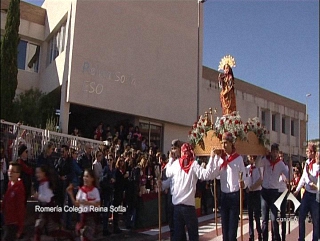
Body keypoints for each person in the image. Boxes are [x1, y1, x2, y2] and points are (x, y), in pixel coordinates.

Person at [162, 142, 215, 241]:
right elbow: (206, 175)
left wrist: (170, 160)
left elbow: (168, 172)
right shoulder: (193, 164)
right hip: (188, 207)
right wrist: (211, 158)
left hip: (177, 206)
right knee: (193, 235)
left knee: (178, 235)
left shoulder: (176, 164)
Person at [210, 132, 247, 241]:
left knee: (232, 232)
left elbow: (244, 176)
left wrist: (243, 183)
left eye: (226, 143)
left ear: (231, 144)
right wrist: (213, 158)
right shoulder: (220, 158)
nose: (224, 145)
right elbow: (215, 174)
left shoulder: (238, 159)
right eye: (222, 143)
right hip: (224, 196)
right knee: (225, 232)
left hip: (234, 195)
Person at [256, 143, 292, 241]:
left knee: (274, 218)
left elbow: (290, 177)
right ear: (271, 151)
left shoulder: (280, 164)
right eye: (273, 151)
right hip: (264, 192)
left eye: (276, 152)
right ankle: (264, 239)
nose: (275, 154)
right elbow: (257, 164)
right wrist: (261, 154)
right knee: (264, 219)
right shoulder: (266, 161)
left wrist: (290, 166)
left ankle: (276, 238)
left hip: (274, 193)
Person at [33, 165, 74, 241]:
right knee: (40, 230)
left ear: (44, 173)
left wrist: (38, 196)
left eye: (39, 172)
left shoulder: (46, 183)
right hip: (44, 210)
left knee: (48, 230)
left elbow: (48, 199)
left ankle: (69, 236)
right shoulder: (41, 184)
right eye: (36, 173)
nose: (37, 174)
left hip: (49, 210)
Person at [294, 143, 319, 241]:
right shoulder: (307, 163)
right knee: (301, 216)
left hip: (315, 195)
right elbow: (303, 178)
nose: (307, 153)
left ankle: (315, 239)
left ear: (313, 152)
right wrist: (297, 190)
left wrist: (308, 174)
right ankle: (301, 238)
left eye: (308, 151)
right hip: (307, 194)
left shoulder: (317, 165)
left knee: (315, 220)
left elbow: (314, 180)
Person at [66, 169, 100, 241]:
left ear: (92, 179)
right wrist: (71, 194)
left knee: (86, 233)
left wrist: (88, 202)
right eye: (84, 176)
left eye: (87, 176)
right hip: (83, 217)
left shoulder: (95, 190)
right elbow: (76, 204)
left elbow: (98, 204)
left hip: (91, 218)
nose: (85, 178)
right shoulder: (81, 190)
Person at [1, 162, 26, 240]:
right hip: (6, 221)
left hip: (13, 224)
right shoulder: (10, 184)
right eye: (9, 171)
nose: (10, 173)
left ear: (18, 174)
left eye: (13, 171)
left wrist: (20, 229)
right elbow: (5, 202)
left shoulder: (19, 189)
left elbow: (21, 209)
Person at [246, 155, 263, 241]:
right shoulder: (248, 168)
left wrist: (252, 187)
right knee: (250, 215)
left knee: (256, 215)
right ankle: (251, 235)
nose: (249, 158)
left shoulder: (258, 167)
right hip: (249, 193)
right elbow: (245, 178)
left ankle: (259, 232)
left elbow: (261, 180)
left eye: (250, 157)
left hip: (256, 192)